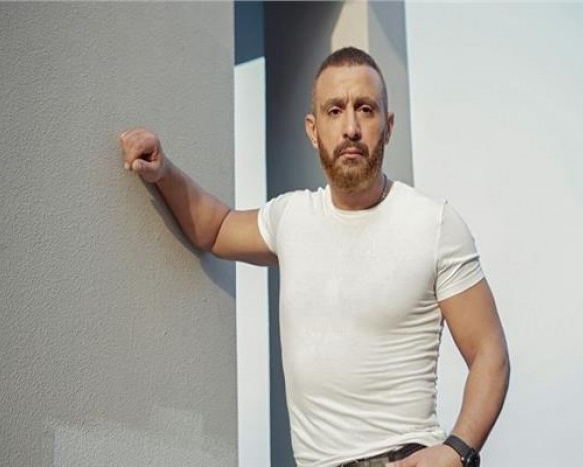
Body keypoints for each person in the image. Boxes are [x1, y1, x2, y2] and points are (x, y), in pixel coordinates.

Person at [120, 47, 509, 467]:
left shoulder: (434, 224)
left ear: (388, 125)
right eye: (334, 111)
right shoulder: (290, 217)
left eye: (366, 109)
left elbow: (489, 353)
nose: (351, 128)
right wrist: (164, 171)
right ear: (313, 129)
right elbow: (214, 228)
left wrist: (457, 450)